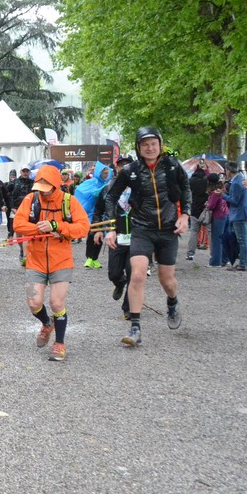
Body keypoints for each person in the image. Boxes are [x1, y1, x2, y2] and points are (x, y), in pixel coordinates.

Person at [103, 127, 190, 347]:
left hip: (168, 229)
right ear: (138, 147)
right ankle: (135, 328)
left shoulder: (172, 165)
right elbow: (111, 197)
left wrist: (185, 216)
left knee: (167, 281)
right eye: (145, 145)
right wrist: (111, 228)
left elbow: (186, 189)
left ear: (160, 144)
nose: (150, 148)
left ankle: (172, 302)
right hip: (141, 229)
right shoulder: (130, 170)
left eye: (153, 144)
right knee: (138, 275)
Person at [12, 165, 90, 361]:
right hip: (35, 260)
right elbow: (18, 224)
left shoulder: (68, 201)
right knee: (33, 302)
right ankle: (47, 323)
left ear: (56, 185)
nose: (43, 192)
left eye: (46, 188)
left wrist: (58, 226)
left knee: (56, 302)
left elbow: (83, 227)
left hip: (61, 261)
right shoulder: (31, 199)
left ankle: (59, 343)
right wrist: (40, 229)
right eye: (40, 188)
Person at [93, 156, 134, 317]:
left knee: (133, 272)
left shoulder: (140, 187)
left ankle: (128, 308)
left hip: (137, 236)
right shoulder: (108, 188)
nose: (124, 168)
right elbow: (98, 211)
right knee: (114, 273)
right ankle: (120, 282)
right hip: (116, 235)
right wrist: (98, 230)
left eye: (128, 165)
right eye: (121, 165)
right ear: (116, 168)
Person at [74, 163, 113, 269]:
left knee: (100, 235)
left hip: (102, 213)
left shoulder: (109, 184)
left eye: (107, 173)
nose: (106, 175)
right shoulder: (91, 183)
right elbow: (82, 193)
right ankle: (89, 257)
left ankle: (94, 258)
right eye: (104, 173)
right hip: (91, 213)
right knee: (92, 234)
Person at [225, 161, 247, 272]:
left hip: (239, 214)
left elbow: (234, 201)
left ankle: (243, 264)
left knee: (242, 240)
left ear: (229, 171)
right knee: (245, 240)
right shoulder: (241, 179)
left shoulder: (236, 183)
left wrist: (222, 195)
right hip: (244, 212)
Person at [10, 167, 34, 265]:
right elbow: (10, 196)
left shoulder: (33, 183)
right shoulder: (14, 182)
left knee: (26, 232)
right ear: (20, 172)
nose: (25, 173)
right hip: (17, 209)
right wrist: (12, 207)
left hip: (30, 210)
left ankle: (25, 255)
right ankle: (21, 250)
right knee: (19, 233)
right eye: (24, 171)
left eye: (27, 171)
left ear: (29, 172)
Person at [205, 173, 229, 267]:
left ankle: (215, 262)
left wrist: (207, 203)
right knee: (224, 238)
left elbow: (211, 206)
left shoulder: (215, 193)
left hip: (218, 216)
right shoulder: (222, 189)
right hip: (226, 214)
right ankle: (224, 259)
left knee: (216, 239)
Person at [187, 163, 210, 261]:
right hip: (205, 209)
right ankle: (213, 255)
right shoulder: (207, 180)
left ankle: (190, 253)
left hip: (195, 208)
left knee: (194, 232)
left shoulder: (191, 180)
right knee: (209, 232)